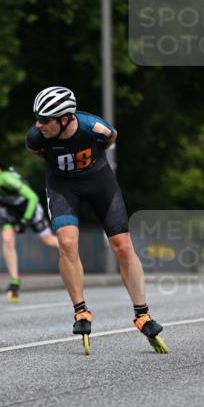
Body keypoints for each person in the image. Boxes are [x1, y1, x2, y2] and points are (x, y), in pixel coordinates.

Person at [25, 86, 167, 352]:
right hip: (62, 187)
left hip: (98, 181)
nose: (38, 124)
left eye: (45, 119)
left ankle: (142, 314)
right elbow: (37, 151)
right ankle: (80, 310)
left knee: (123, 246)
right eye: (37, 118)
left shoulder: (95, 128)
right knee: (67, 243)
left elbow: (111, 138)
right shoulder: (36, 137)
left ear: (65, 119)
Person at [0, 154, 58, 302]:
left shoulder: (6, 179)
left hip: (28, 207)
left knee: (48, 240)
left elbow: (33, 197)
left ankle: (70, 251)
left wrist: (25, 220)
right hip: (10, 211)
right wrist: (10, 222)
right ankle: (14, 281)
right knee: (7, 238)